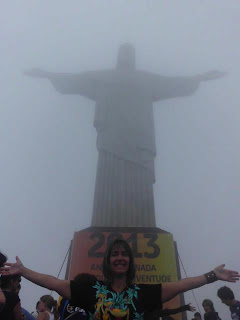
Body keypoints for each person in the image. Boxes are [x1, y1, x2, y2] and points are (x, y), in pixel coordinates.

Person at [24, 44, 226, 228]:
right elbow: (76, 80)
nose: (127, 57)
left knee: (139, 183)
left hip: (139, 140)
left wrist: (198, 78)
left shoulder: (144, 79)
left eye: (129, 54)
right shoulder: (104, 77)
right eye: (124, 53)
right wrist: (47, 74)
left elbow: (172, 84)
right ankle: (104, 225)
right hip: (112, 140)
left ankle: (142, 226)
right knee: (109, 182)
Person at [0, 239, 239, 320]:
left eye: (124, 254)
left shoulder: (142, 293)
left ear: (130, 261)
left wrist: (211, 276)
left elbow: (180, 284)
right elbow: (54, 282)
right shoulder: (91, 291)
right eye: (115, 254)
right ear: (108, 260)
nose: (120, 258)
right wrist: (24, 271)